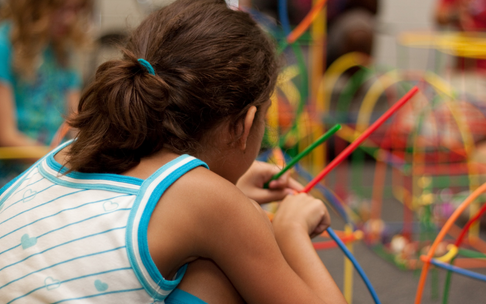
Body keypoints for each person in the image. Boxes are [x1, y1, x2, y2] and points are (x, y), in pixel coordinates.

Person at [0, 1, 348, 303]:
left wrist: (235, 190)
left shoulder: (72, 150)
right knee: (219, 272)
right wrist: (290, 231)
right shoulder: (216, 205)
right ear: (245, 124)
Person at [0, 0, 93, 186]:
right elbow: (5, 135)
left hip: (56, 166)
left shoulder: (65, 51)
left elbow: (75, 124)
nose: (69, 19)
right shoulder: (5, 45)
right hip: (15, 174)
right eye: (61, 8)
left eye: (76, 9)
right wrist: (62, 162)